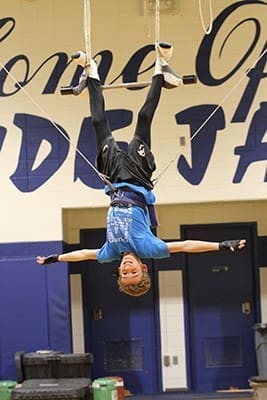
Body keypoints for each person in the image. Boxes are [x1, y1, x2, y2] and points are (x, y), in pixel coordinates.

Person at [37, 44, 246, 296]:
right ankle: (160, 68)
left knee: (97, 122)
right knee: (144, 119)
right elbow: (186, 245)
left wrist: (57, 258)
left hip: (114, 181)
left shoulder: (110, 253)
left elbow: (84, 255)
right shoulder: (149, 248)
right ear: (143, 267)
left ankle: (90, 70)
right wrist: (220, 246)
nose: (126, 268)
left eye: (124, 273)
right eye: (133, 272)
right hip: (138, 177)